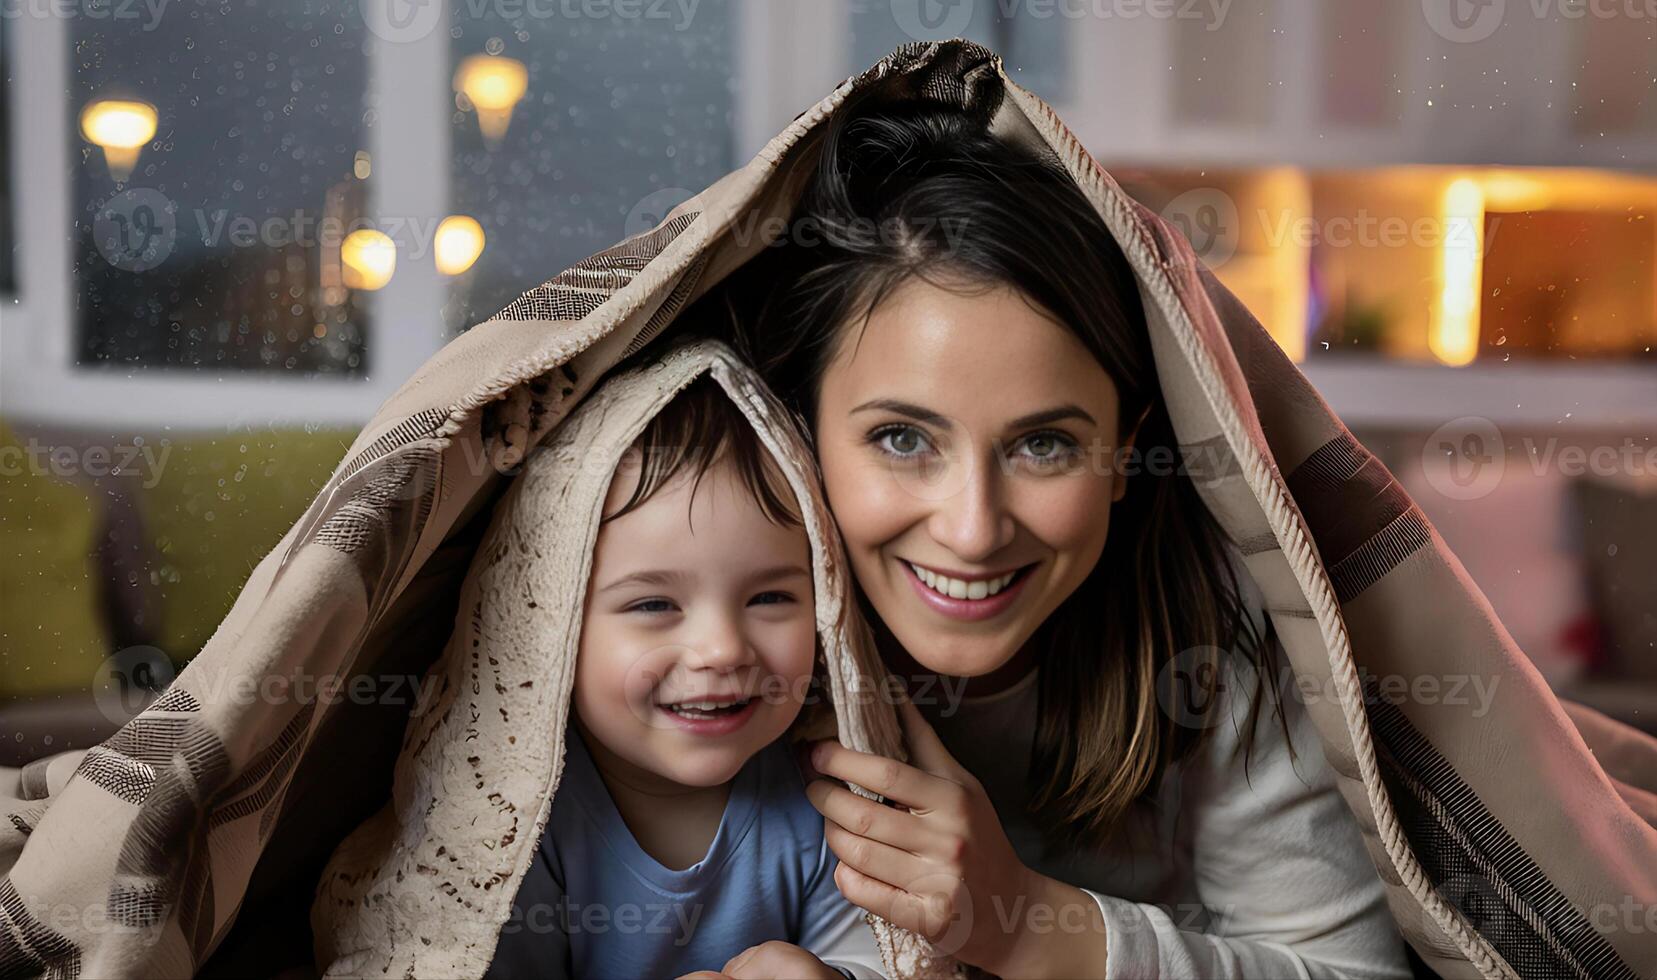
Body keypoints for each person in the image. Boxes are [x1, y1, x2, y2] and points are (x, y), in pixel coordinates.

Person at [682, 92, 1417, 978]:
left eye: (1043, 444)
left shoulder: (1220, 648)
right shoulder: (708, 638)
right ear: (797, 437)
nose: (972, 529)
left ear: (1123, 455)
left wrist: (1027, 923)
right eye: (902, 439)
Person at [483, 371, 887, 980]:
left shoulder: (825, 798)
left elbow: (887, 954)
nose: (722, 650)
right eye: (653, 605)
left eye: (771, 597)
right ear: (552, 624)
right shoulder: (518, 826)